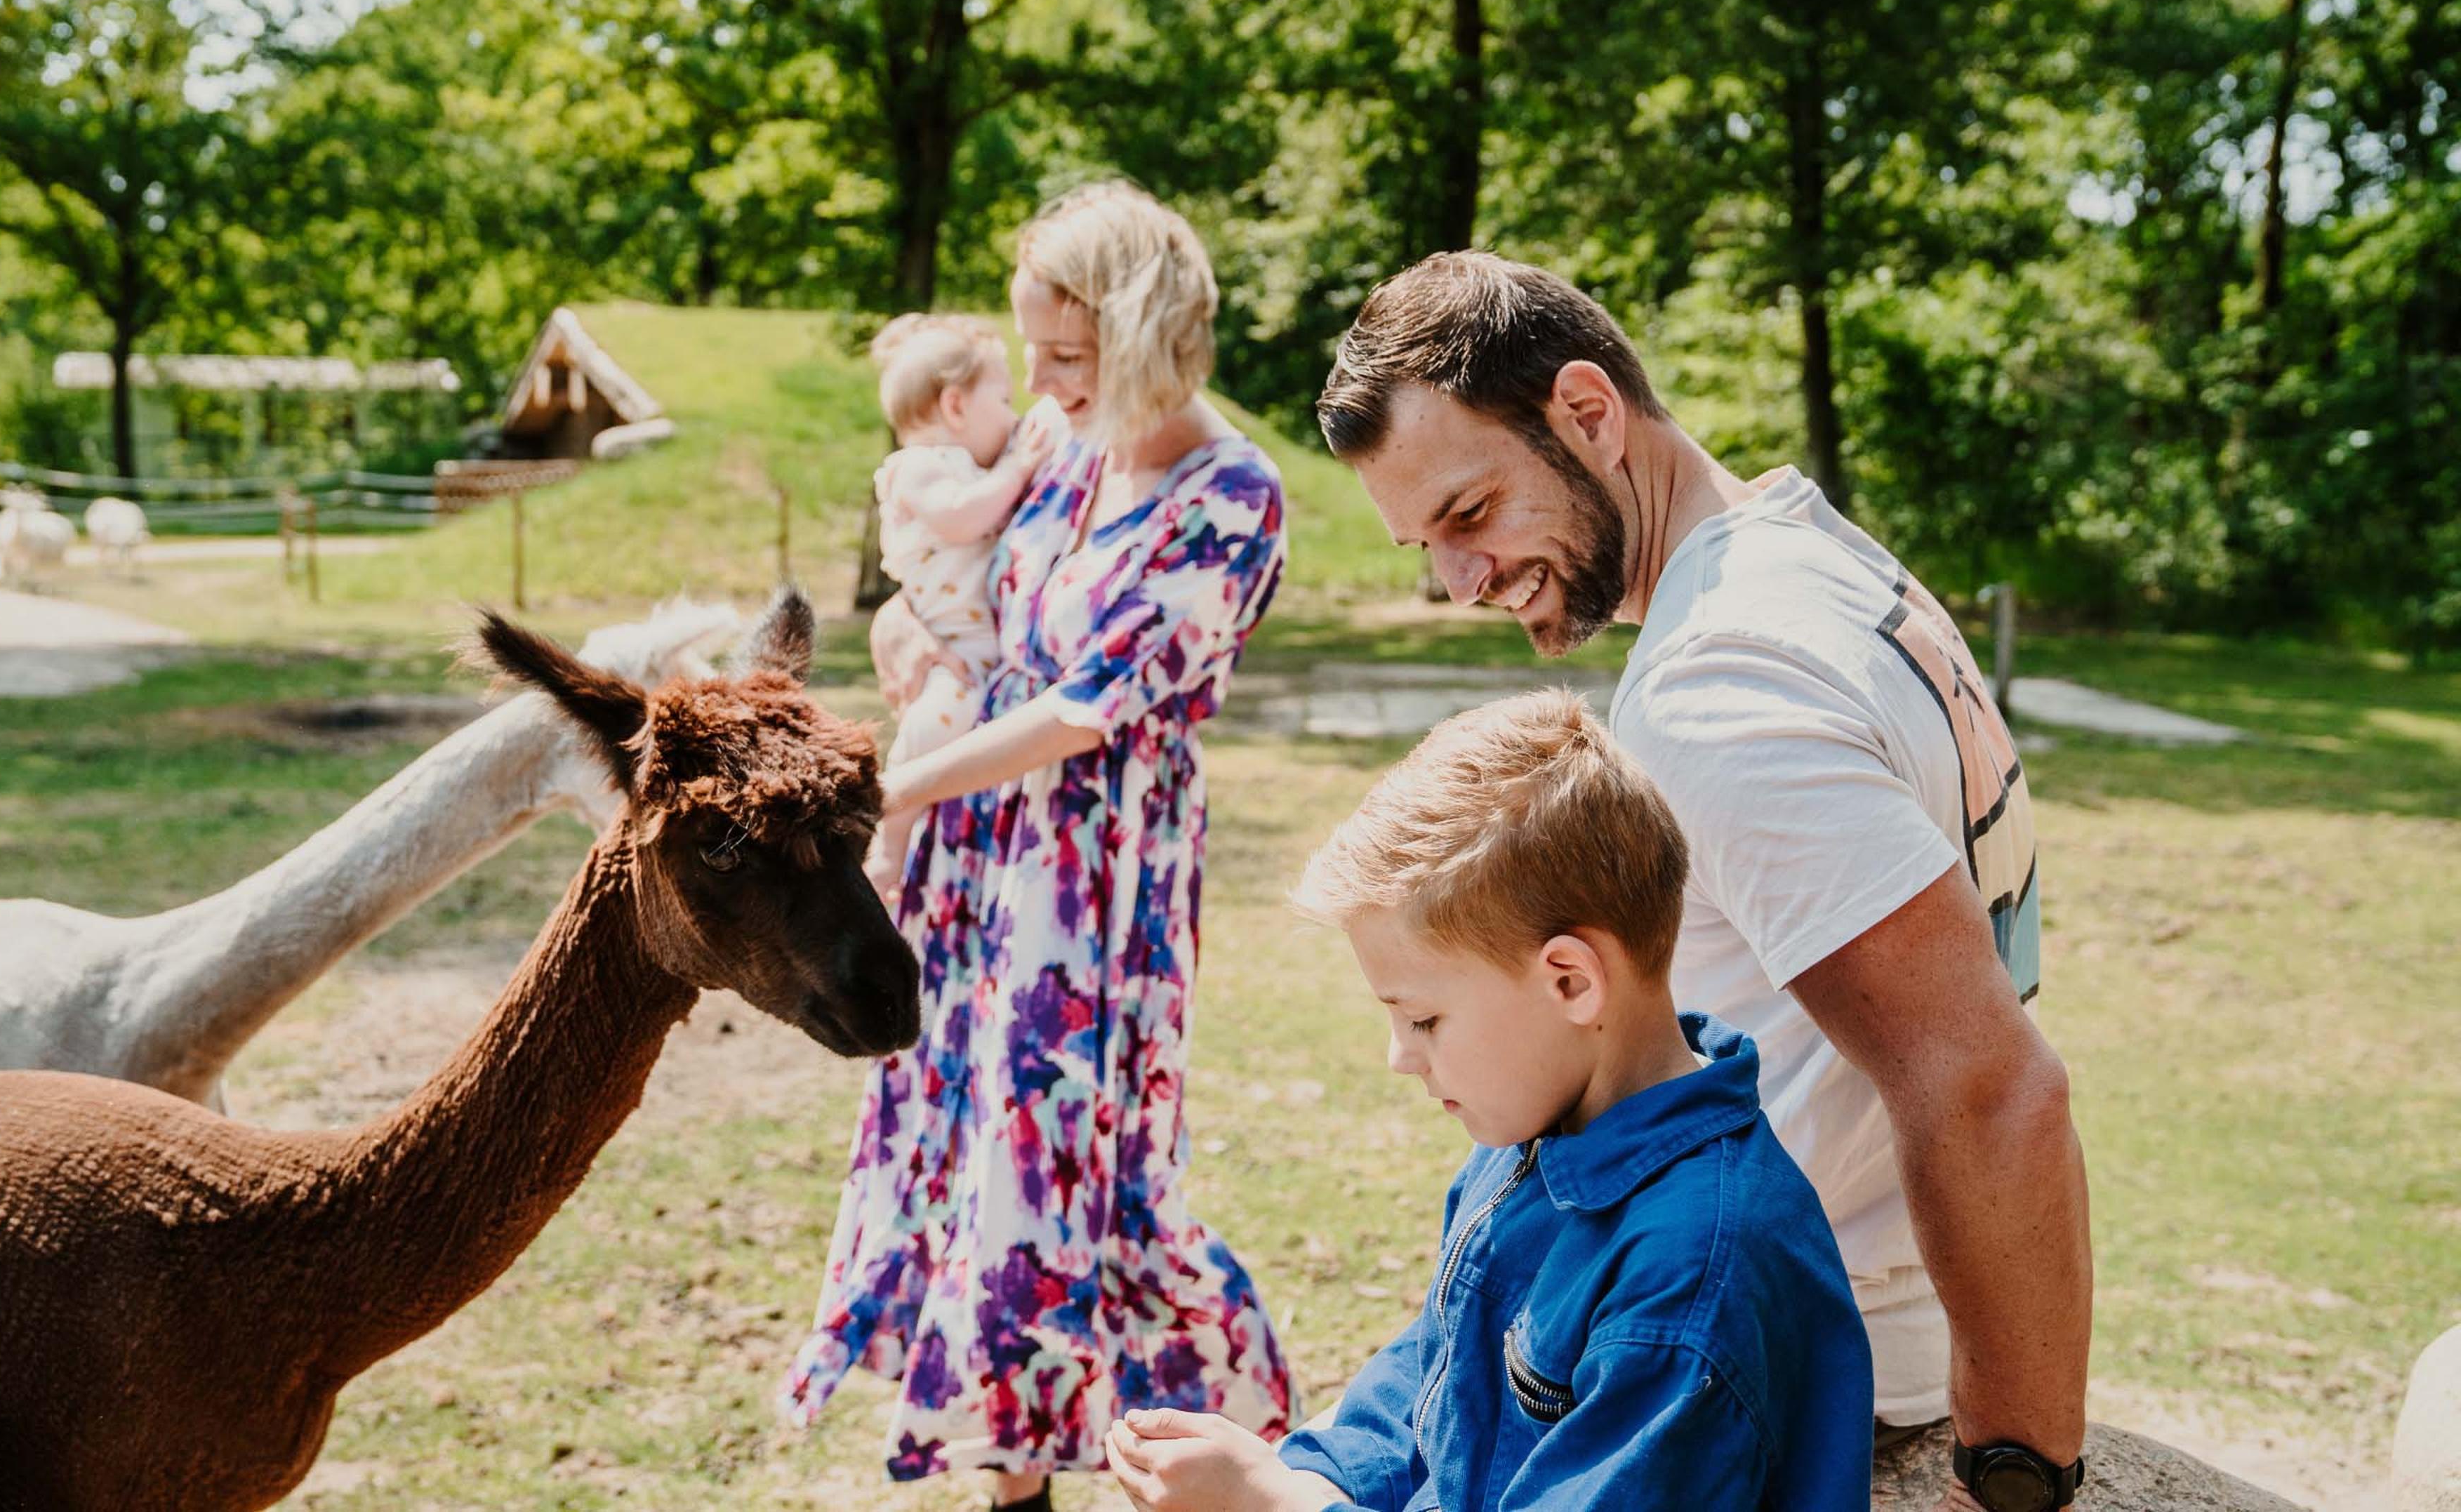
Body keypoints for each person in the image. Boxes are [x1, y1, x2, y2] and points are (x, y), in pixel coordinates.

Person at [1313, 251, 2090, 1510]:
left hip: (1751, 1361)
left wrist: (2015, 1481)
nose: (1462, 583)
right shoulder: (1813, 562)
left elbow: (1987, 1084)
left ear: (1589, 413)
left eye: (1471, 515)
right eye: (1428, 546)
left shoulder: (1726, 684)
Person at [785, 183, 1296, 1508]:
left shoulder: (1232, 495)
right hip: (984, 872)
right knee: (976, 1167)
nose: (1037, 383)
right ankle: (1013, 1484)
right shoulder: (1068, 454)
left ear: (1141, 337)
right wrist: (912, 638)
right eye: (1031, 352)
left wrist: (896, 793)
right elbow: (985, 610)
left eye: (1064, 357)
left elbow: (1084, 711)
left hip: (1096, 893)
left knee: (1096, 1184)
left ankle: (1259, 1453)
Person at [1103, 689, 1873, 1511]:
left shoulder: (1689, 1281)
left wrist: (1280, 1506)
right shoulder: (1540, 1128)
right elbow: (1434, 1372)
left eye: (1424, 1019)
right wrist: (1313, 1475)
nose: (1400, 1058)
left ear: (1571, 981)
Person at [861, 312, 1052, 892]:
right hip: (954, 647)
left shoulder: (968, 469)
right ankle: (887, 841)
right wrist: (1019, 467)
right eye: (1003, 397)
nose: (1015, 415)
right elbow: (962, 520)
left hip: (974, 648)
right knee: (935, 724)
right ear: (955, 407)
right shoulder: (919, 468)